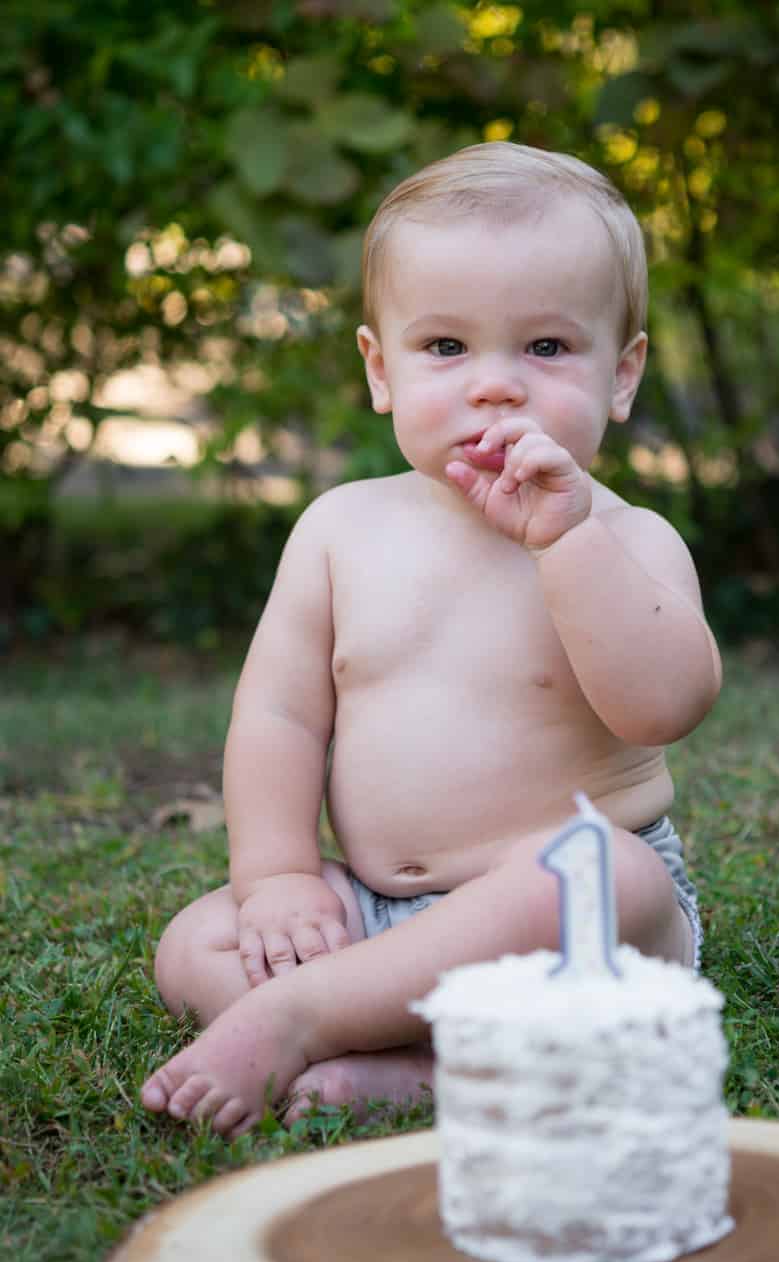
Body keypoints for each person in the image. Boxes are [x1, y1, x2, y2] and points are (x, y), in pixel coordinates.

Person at [141, 141, 722, 1138]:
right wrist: (278, 876)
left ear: (620, 376)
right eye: (446, 348)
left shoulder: (624, 538)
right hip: (378, 907)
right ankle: (429, 1068)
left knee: (605, 868)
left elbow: (666, 704)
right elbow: (279, 715)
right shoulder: (338, 530)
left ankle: (310, 1016)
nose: (494, 387)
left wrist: (565, 543)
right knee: (194, 940)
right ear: (381, 368)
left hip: (567, 921)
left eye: (545, 348)